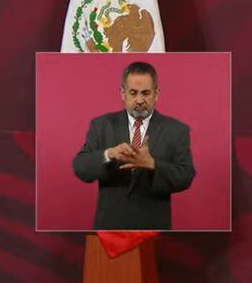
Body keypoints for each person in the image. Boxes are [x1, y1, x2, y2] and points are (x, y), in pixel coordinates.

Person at [72, 61, 195, 230]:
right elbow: (80, 167)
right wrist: (109, 154)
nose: (139, 100)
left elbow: (186, 176)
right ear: (123, 93)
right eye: (133, 93)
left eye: (146, 93)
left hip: (153, 229)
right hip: (109, 228)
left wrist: (152, 164)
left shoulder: (176, 130)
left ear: (156, 94)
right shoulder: (101, 125)